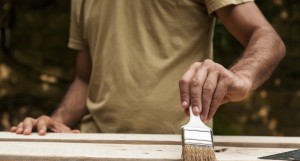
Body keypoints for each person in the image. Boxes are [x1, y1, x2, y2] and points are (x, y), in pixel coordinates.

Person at [10, 0, 285, 135]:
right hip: (94, 149)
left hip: (176, 155)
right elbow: (85, 79)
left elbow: (264, 34)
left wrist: (242, 76)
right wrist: (56, 121)